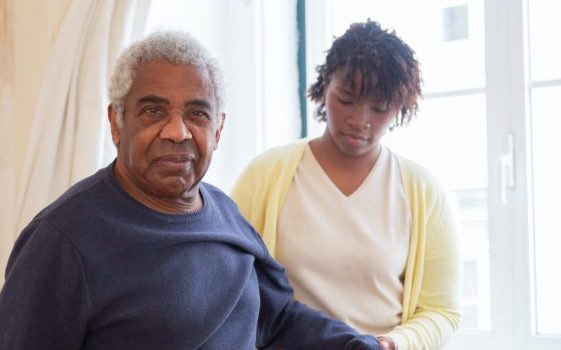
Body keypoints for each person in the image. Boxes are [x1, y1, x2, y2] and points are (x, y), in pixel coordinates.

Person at [0, 31, 382, 350]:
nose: (178, 132)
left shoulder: (225, 214)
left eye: (197, 114)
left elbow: (277, 319)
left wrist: (355, 344)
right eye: (153, 111)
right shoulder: (62, 241)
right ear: (116, 123)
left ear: (217, 131)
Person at [230, 20, 462, 350]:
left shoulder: (423, 192)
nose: (359, 120)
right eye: (347, 99)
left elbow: (442, 310)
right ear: (325, 86)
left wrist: (391, 344)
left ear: (399, 108)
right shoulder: (265, 175)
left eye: (379, 108)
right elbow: (228, 279)